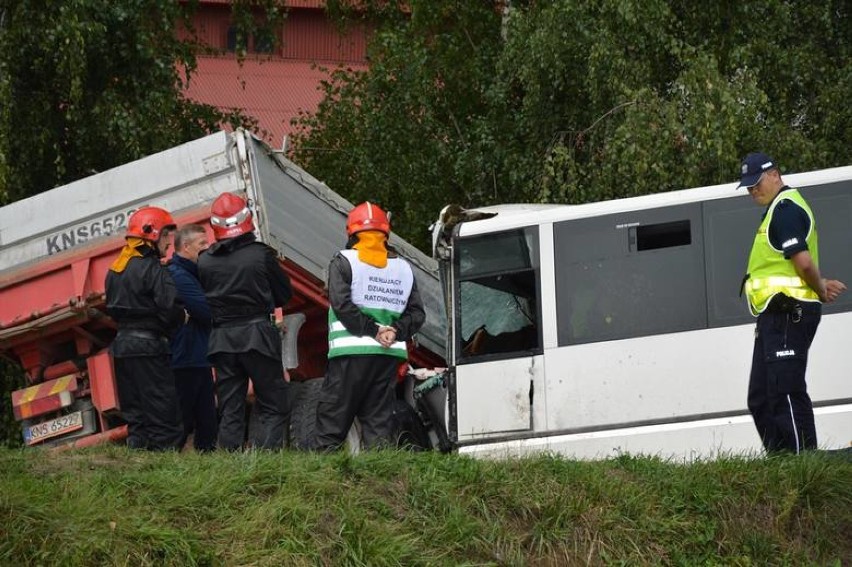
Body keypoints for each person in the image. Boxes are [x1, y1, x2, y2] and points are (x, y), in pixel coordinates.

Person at [738, 152, 846, 454]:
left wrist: (821, 287)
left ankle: (803, 465)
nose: (753, 191)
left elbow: (803, 261)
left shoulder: (785, 209)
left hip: (789, 313)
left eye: (756, 183)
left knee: (786, 390)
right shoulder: (775, 211)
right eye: (747, 187)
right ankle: (782, 464)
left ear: (775, 174)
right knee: (760, 397)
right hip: (772, 315)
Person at [314, 202, 426, 451]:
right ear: (386, 233)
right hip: (386, 357)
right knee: (378, 424)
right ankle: (379, 484)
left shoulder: (343, 261)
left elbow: (342, 306)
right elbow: (417, 314)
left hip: (349, 356)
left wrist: (373, 330)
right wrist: (395, 330)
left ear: (351, 232)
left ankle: (324, 483)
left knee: (332, 425)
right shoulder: (404, 269)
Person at [197, 192, 293, 450]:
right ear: (246, 219)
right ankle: (266, 464)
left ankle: (229, 468)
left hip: (222, 340)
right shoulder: (260, 255)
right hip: (257, 336)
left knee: (230, 408)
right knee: (274, 404)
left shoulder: (203, 261)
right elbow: (284, 295)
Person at [105, 206, 185, 451]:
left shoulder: (115, 269)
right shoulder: (152, 269)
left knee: (136, 419)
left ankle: (139, 469)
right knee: (164, 417)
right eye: (166, 236)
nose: (169, 243)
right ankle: (168, 474)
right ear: (153, 234)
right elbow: (171, 309)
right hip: (149, 348)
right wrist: (181, 318)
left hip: (122, 349)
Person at [168, 224, 218, 452]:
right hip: (186, 360)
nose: (207, 249)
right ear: (185, 247)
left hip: (197, 357)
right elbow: (208, 311)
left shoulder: (193, 274)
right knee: (185, 422)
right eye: (202, 244)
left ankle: (207, 470)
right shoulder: (178, 276)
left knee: (207, 421)